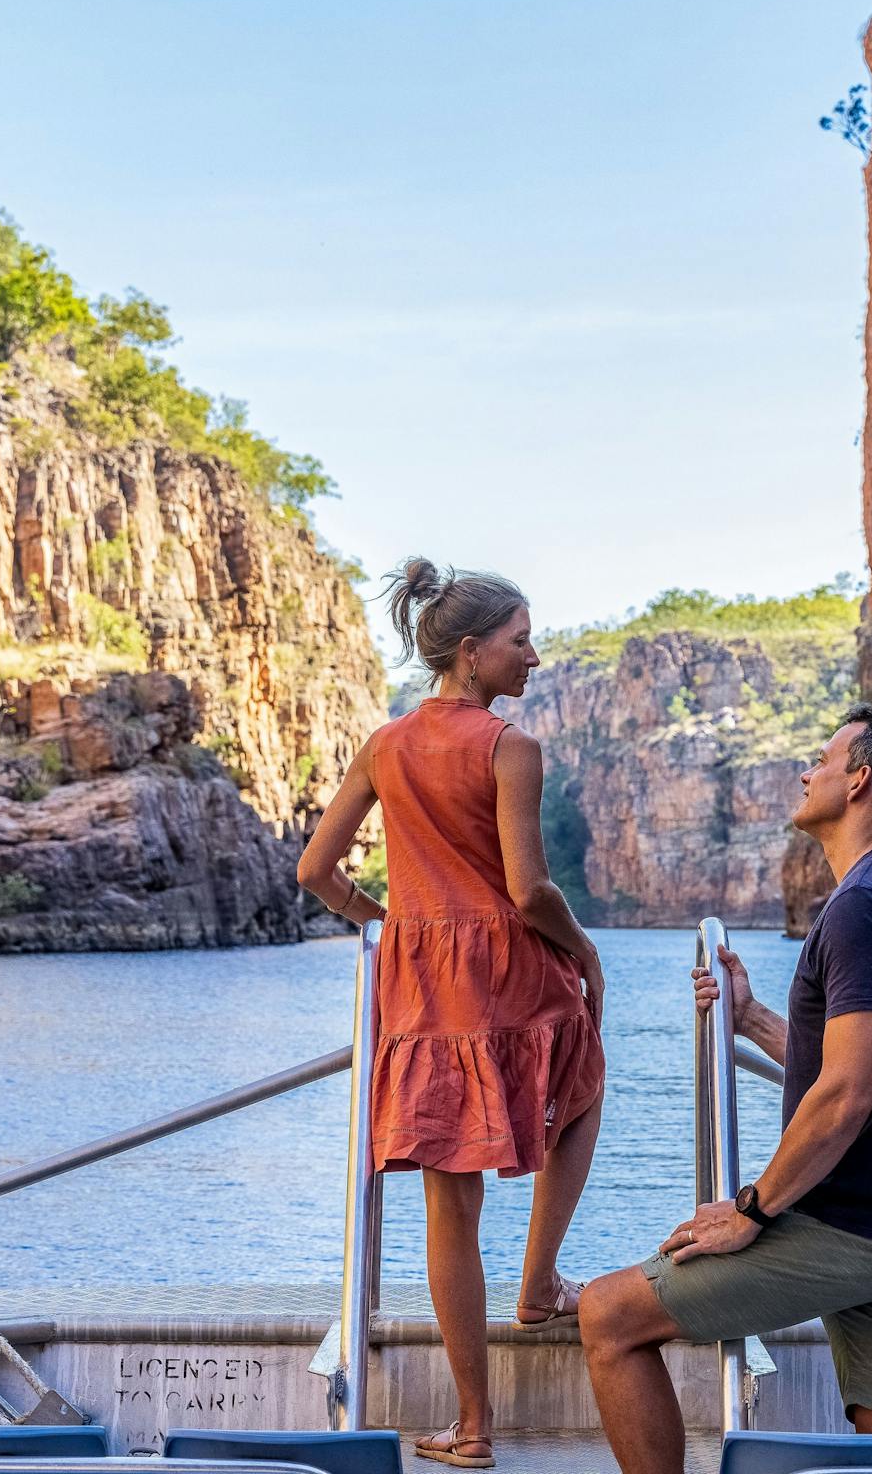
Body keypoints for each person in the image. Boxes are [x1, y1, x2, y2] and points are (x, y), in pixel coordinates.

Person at [578, 705, 872, 1474]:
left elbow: (850, 1092)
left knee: (608, 1316)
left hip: (858, 1227)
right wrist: (753, 1015)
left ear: (858, 782)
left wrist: (751, 1209)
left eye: (822, 760)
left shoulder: (861, 905)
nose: (807, 772)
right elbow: (859, 1061)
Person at [298, 558, 607, 1470]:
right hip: (510, 971)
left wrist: (391, 929)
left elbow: (316, 873)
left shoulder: (384, 746)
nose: (536, 656)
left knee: (449, 1203)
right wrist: (584, 951)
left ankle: (472, 1429)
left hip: (421, 984)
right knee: (581, 1083)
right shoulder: (510, 747)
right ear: (472, 653)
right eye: (521, 642)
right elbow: (530, 888)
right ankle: (540, 1279)